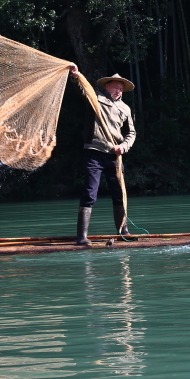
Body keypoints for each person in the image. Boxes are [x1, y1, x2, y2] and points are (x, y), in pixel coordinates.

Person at [68, 66, 137, 246]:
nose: (118, 91)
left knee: (119, 193)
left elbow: (131, 133)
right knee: (90, 193)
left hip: (115, 156)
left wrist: (123, 146)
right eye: (115, 87)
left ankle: (123, 231)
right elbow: (83, 89)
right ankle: (82, 237)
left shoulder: (125, 108)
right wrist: (76, 75)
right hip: (94, 152)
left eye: (121, 89)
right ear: (107, 86)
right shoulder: (95, 100)